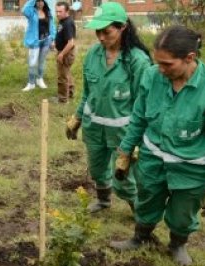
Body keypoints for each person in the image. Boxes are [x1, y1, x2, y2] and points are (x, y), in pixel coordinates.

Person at [110, 25, 205, 266]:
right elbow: (139, 116)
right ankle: (141, 237)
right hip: (152, 158)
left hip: (191, 168)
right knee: (146, 199)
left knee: (182, 214)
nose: (160, 69)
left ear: (190, 58)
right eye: (158, 62)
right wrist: (125, 151)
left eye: (167, 64)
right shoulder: (152, 76)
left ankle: (177, 244)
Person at [65, 2, 152, 213]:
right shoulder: (94, 55)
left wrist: (141, 138)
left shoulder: (137, 61)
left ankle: (140, 214)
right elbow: (88, 92)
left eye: (107, 31)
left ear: (122, 27)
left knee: (124, 178)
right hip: (94, 129)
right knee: (97, 169)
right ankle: (103, 201)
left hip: (124, 133)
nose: (101, 37)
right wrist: (77, 118)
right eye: (98, 32)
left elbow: (145, 104)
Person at [21, 0, 56, 92]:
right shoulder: (31, 12)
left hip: (46, 40)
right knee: (32, 63)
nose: (40, 3)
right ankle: (31, 83)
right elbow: (24, 10)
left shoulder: (48, 12)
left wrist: (53, 39)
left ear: (45, 2)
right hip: (35, 41)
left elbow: (52, 26)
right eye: (38, 1)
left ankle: (39, 79)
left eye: (42, 1)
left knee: (41, 62)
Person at [53, 1, 76, 103]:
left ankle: (62, 99)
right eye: (56, 11)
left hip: (66, 52)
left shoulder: (67, 23)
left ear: (67, 11)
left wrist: (61, 54)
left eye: (60, 12)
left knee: (62, 76)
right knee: (66, 73)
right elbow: (61, 35)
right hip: (63, 51)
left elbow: (70, 43)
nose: (57, 14)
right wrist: (55, 42)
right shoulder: (62, 21)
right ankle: (70, 93)